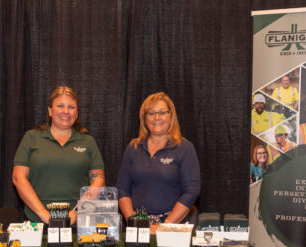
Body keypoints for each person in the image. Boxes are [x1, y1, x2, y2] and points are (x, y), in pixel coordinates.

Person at [13, 86, 105, 224]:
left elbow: (98, 181)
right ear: (50, 110)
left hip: (79, 223)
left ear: (77, 112)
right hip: (37, 223)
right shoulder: (32, 137)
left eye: (71, 107)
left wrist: (76, 212)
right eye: (60, 106)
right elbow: (18, 178)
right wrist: (43, 214)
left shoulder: (88, 141)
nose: (66, 111)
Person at [116, 92, 201, 231]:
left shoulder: (185, 148)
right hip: (137, 228)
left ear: (171, 115)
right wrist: (133, 222)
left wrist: (165, 226)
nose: (157, 118)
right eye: (151, 113)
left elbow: (191, 192)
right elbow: (122, 189)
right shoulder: (133, 148)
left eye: (162, 112)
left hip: (172, 229)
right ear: (144, 118)